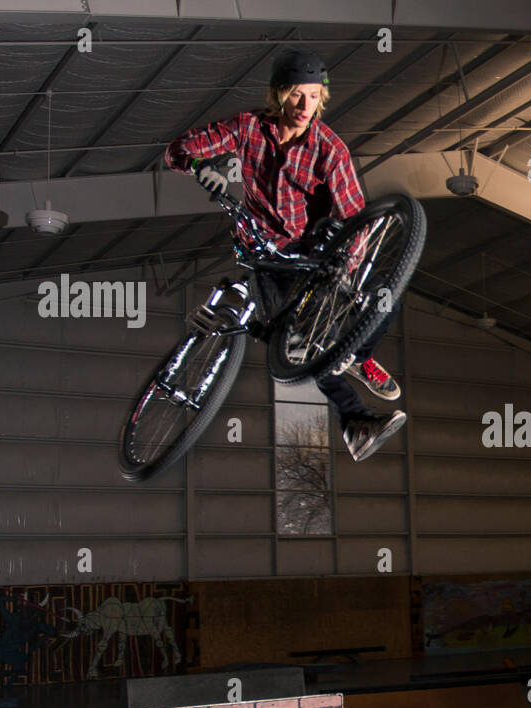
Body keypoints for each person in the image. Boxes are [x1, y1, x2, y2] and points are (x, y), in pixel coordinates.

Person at [164, 48, 406, 462]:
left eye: (313, 97)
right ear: (279, 95)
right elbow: (179, 149)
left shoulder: (330, 149)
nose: (304, 106)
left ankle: (358, 356)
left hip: (313, 253)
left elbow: (354, 216)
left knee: (386, 293)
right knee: (303, 341)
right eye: (296, 95)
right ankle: (356, 421)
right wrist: (198, 165)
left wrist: (346, 273)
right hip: (263, 253)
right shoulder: (248, 128)